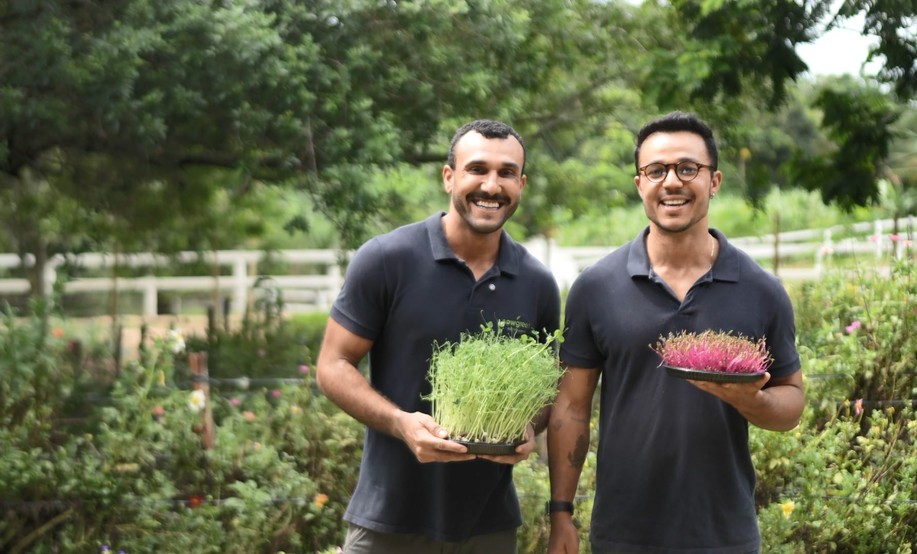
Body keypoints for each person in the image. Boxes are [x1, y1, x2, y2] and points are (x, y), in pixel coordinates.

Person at [546, 111, 805, 553]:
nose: (672, 182)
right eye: (656, 170)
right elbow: (571, 408)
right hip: (623, 537)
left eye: (688, 169)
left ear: (715, 181)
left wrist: (753, 401)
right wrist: (561, 513)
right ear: (639, 183)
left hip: (725, 537)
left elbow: (792, 405)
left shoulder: (762, 290)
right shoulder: (596, 287)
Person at [316, 119, 561, 553]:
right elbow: (332, 365)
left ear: (521, 184)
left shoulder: (537, 282)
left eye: (506, 173)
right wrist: (401, 423)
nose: (492, 185)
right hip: (389, 521)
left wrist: (527, 427)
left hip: (487, 527)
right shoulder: (387, 259)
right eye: (477, 169)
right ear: (449, 176)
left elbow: (545, 390)